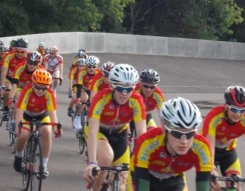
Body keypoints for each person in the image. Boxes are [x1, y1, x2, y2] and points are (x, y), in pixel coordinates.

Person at [83, 63, 147, 191]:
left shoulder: (136, 100)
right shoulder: (101, 98)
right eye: (121, 89)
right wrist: (92, 163)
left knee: (122, 187)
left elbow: (142, 134)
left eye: (129, 89)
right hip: (100, 132)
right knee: (107, 157)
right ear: (112, 86)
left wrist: (143, 161)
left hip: (120, 135)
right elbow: (93, 133)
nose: (124, 94)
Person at [130, 97, 212, 191]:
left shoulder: (202, 146)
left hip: (174, 179)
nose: (184, 141)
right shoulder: (147, 142)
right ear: (165, 130)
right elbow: (142, 185)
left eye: (190, 134)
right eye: (177, 134)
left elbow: (203, 186)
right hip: (145, 174)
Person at [201, 85, 245, 191]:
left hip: (228, 152)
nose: (238, 114)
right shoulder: (214, 116)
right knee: (214, 185)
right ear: (226, 106)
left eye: (242, 110)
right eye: (234, 109)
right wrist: (211, 169)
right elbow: (210, 146)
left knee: (235, 184)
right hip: (208, 150)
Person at [12, 69, 62, 179]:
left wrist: (55, 128)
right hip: (27, 114)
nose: (40, 91)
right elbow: (19, 111)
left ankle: (43, 166)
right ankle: (19, 156)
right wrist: (17, 126)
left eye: (44, 88)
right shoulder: (27, 90)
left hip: (42, 114)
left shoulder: (49, 93)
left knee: (46, 132)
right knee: (24, 134)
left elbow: (52, 113)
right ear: (33, 83)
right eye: (38, 87)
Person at [7, 51, 45, 128]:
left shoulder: (41, 69)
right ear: (26, 61)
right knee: (19, 99)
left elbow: (44, 86)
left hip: (34, 89)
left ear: (38, 63)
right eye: (30, 62)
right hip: (20, 87)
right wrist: (11, 98)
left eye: (34, 63)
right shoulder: (20, 67)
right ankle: (14, 121)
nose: (32, 65)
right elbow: (14, 84)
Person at [0, 38, 28, 121]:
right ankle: (5, 109)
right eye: (17, 51)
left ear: (26, 51)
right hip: (9, 78)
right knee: (7, 91)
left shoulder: (28, 57)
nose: (19, 54)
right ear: (14, 49)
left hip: (20, 80)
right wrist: (1, 86)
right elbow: (4, 71)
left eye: (22, 52)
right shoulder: (9, 56)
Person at [72, 55, 101, 132]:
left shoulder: (99, 73)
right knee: (85, 98)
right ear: (86, 66)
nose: (91, 69)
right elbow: (79, 86)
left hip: (93, 89)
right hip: (82, 88)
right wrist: (78, 98)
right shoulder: (82, 72)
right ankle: (78, 116)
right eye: (89, 67)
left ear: (97, 66)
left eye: (94, 67)